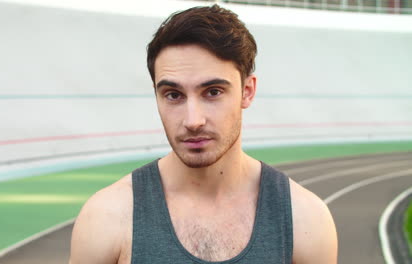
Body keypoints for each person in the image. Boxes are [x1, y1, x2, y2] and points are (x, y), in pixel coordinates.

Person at [70, 4, 337, 264]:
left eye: (213, 92)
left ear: (247, 91)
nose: (193, 121)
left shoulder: (305, 220)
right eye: (173, 95)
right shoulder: (107, 217)